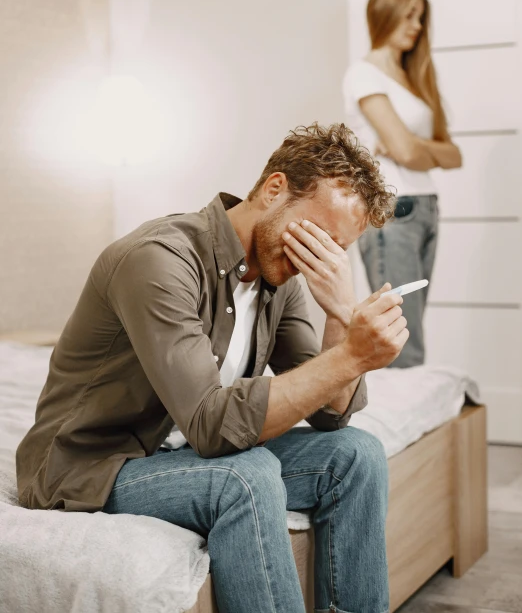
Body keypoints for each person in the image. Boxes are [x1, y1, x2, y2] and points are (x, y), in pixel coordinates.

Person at [17, 123, 408, 613]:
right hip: (92, 465)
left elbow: (329, 413)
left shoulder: (279, 276)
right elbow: (209, 426)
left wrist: (339, 317)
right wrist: (353, 354)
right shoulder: (160, 259)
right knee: (247, 474)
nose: (320, 258)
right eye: (318, 235)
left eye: (338, 249)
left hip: (184, 455)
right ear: (274, 189)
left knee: (356, 454)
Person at [343, 0, 462, 368]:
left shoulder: (415, 77)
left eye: (421, 17)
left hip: (425, 207)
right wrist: (416, 148)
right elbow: (409, 151)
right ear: (384, 14)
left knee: (412, 329)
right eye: (408, 15)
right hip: (392, 210)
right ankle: (397, 425)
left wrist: (409, 146)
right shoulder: (364, 74)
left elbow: (453, 154)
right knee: (399, 337)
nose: (417, 25)